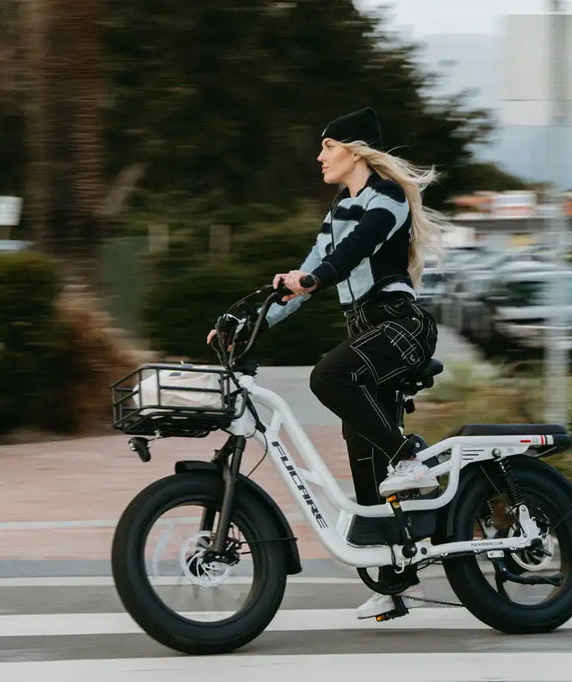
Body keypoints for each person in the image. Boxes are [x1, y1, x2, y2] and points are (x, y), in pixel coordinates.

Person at [209, 106, 450, 619]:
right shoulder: (341, 206)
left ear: (355, 151)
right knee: (363, 462)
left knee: (329, 376)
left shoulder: (387, 201)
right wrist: (244, 323)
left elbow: (353, 254)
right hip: (366, 333)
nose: (319, 156)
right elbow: (309, 274)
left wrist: (316, 278)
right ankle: (395, 581)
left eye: (328, 147)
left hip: (400, 327)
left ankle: (410, 456)